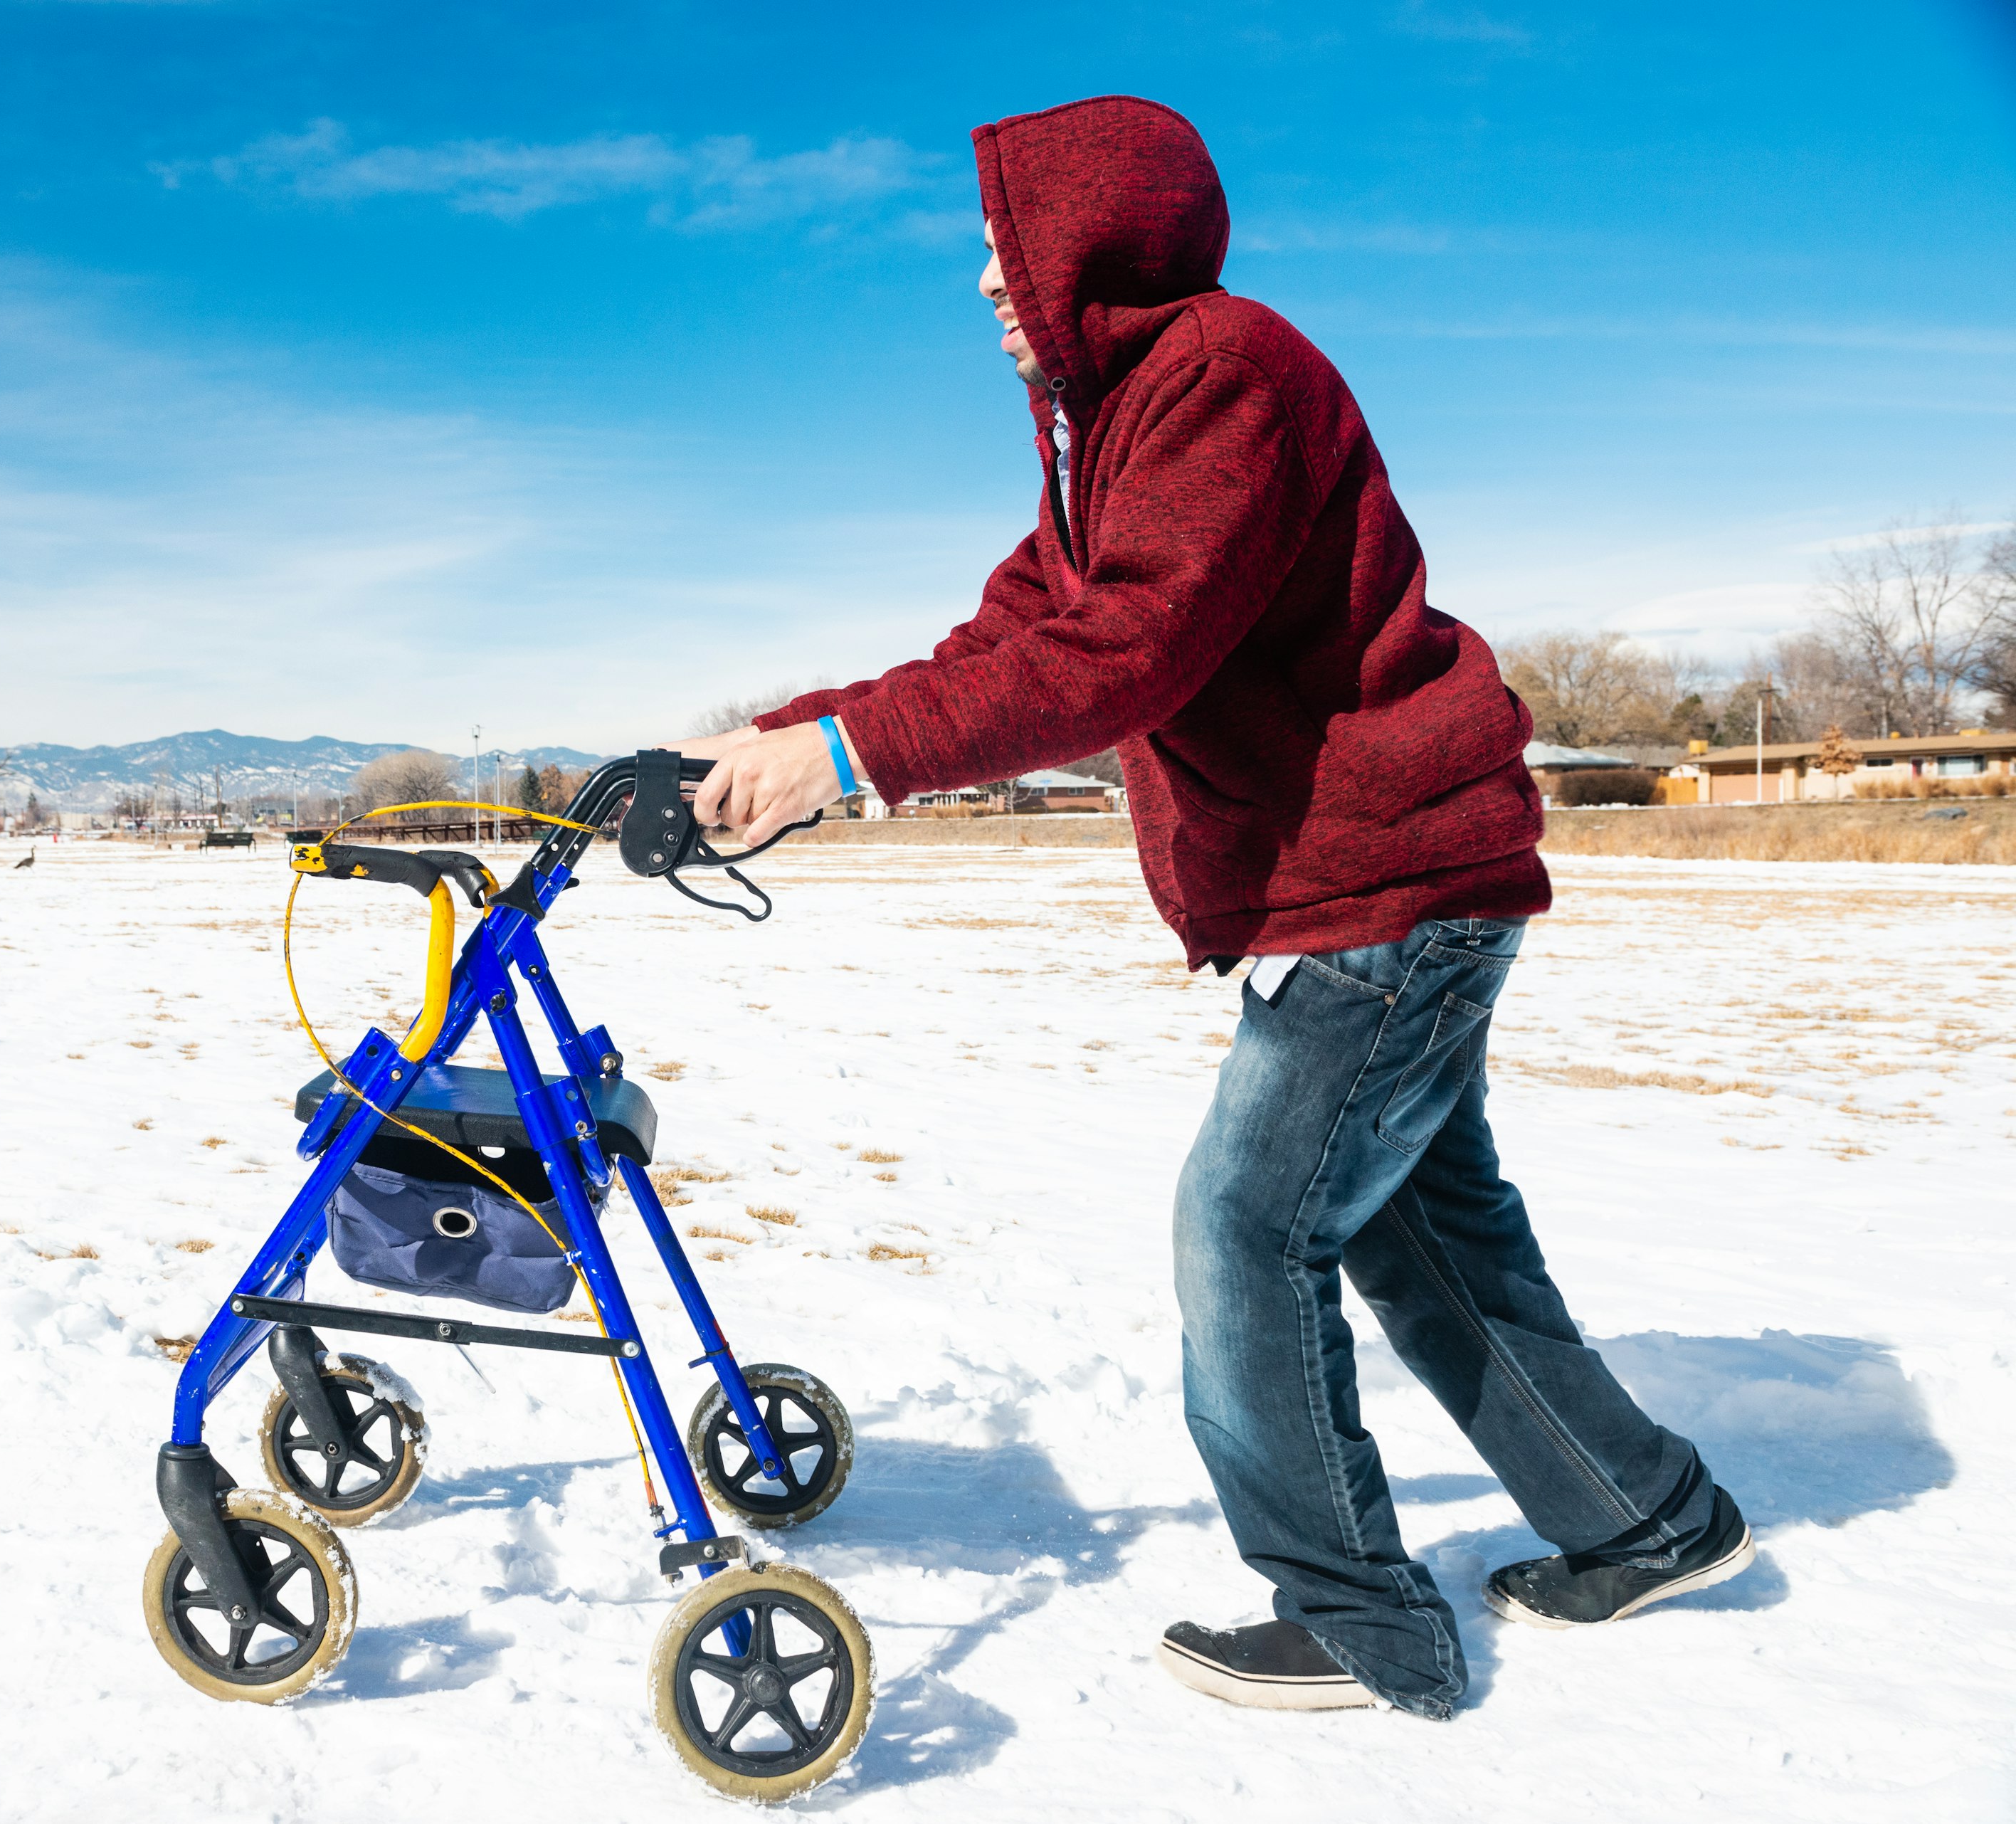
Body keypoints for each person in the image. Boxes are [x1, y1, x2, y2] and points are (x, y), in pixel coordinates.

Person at [678, 95, 1751, 1720]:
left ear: (1094, 235)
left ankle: (1359, 1623)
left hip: (1384, 886)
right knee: (1413, 1222)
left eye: (1004, 244)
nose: (985, 281)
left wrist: (847, 758)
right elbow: (1004, 649)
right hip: (1364, 884)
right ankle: (1646, 1516)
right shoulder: (1110, 436)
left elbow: (1129, 652)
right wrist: (776, 737)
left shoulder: (1224, 374)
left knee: (1246, 1226)